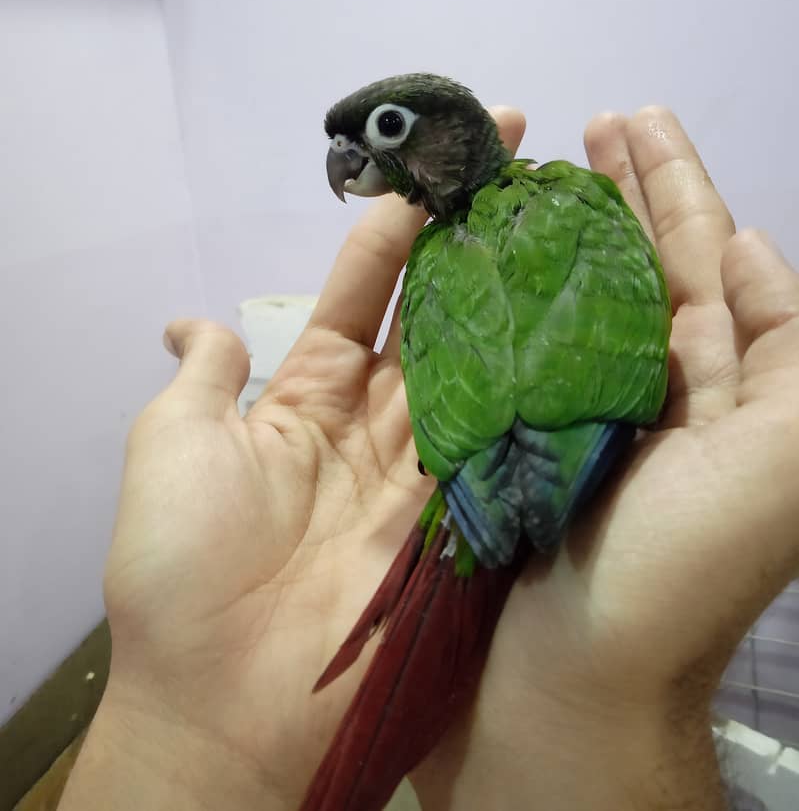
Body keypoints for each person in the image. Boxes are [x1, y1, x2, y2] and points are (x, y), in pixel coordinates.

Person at [58, 107, 799, 811]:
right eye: (349, 143)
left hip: (491, 467)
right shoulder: (448, 250)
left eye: (386, 129)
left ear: (456, 130)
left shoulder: (521, 227)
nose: (349, 161)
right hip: (500, 465)